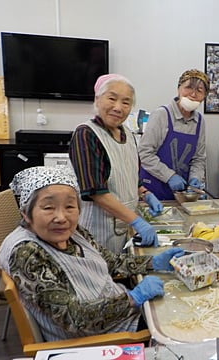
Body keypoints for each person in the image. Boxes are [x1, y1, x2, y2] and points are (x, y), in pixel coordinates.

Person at [0, 166, 184, 341]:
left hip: (116, 312)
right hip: (99, 338)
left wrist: (153, 262)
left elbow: (109, 262)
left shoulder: (75, 232)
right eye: (48, 208)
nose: (61, 217)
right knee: (180, 325)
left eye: (70, 206)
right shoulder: (26, 253)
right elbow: (74, 318)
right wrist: (133, 299)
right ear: (25, 214)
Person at [69, 74, 163, 253]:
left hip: (123, 227)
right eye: (112, 98)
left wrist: (145, 193)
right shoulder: (86, 134)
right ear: (97, 99)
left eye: (126, 102)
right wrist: (136, 221)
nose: (118, 107)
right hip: (96, 232)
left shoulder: (127, 134)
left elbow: (128, 176)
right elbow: (96, 191)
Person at [138, 69, 210, 200]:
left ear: (204, 96)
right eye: (188, 87)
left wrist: (196, 178)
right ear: (179, 88)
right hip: (153, 189)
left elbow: (198, 158)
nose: (193, 94)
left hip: (181, 193)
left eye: (199, 90)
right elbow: (144, 153)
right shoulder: (161, 114)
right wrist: (169, 176)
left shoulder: (200, 122)